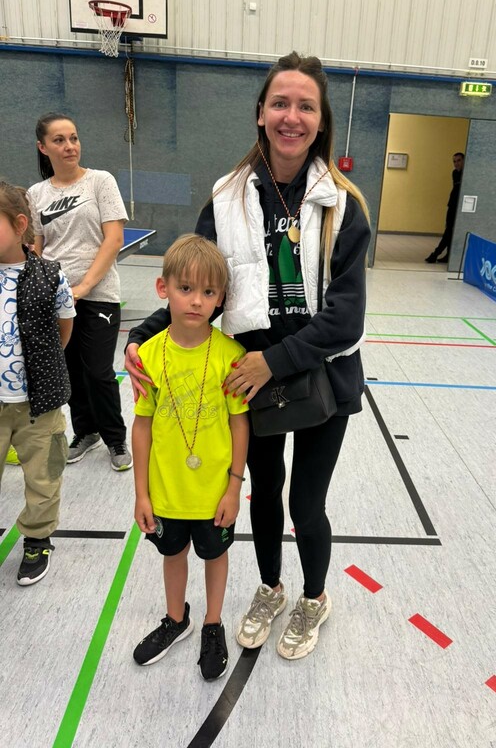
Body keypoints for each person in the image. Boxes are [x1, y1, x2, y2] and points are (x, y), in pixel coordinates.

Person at [126, 51, 371, 661]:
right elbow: (198, 282)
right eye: (280, 103)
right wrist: (143, 337)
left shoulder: (344, 205)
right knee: (264, 490)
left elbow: (346, 318)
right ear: (261, 112)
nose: (292, 116)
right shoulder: (226, 198)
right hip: (250, 381)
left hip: (321, 380)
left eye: (305, 106)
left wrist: (274, 361)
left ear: (321, 120)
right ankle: (269, 587)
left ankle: (313, 597)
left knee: (305, 503)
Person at [131, 234, 249, 680]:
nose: (197, 301)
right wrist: (142, 494)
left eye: (208, 291)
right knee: (173, 554)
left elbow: (240, 424)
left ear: (221, 298)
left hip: (215, 492)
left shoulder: (230, 357)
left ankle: (213, 623)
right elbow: (142, 426)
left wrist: (234, 487)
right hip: (166, 491)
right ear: (163, 288)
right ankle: (176, 618)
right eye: (185, 288)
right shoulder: (147, 356)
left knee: (215, 556)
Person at [28, 113, 133, 471]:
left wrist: (83, 287)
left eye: (73, 138)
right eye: (59, 140)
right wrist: (42, 289)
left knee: (99, 371)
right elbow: (37, 248)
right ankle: (86, 432)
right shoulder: (36, 194)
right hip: (56, 299)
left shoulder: (100, 182)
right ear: (43, 147)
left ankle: (115, 439)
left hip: (98, 294)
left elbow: (114, 239)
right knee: (71, 370)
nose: (69, 146)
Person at [0, 181, 75, 585]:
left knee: (43, 476)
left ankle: (37, 538)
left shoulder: (50, 275)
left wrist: (41, 368)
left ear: (19, 225)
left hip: (39, 405)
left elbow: (64, 326)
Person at [425, 151, 464, 263]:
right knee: (449, 230)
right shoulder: (455, 173)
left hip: (460, 207)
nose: (456, 163)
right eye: (454, 161)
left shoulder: (466, 174)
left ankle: (436, 254)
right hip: (452, 205)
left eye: (459, 161)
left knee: (450, 232)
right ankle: (447, 255)